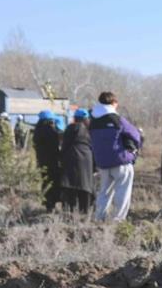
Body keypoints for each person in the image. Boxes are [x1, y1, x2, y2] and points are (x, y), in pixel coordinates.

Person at [90, 91, 142, 222]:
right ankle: (118, 220)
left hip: (102, 163)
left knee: (104, 192)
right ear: (113, 103)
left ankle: (99, 218)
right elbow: (135, 135)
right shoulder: (117, 119)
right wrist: (133, 150)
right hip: (120, 161)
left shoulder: (93, 121)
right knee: (122, 191)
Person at [60, 109, 95, 213]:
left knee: (69, 185)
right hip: (86, 159)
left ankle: (69, 211)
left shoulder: (69, 129)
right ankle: (84, 211)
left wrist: (61, 159)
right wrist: (96, 166)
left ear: (75, 118)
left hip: (69, 157)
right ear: (86, 118)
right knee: (85, 185)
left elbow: (64, 145)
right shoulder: (89, 130)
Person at [33, 110, 62, 213]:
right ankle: (51, 204)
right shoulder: (50, 131)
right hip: (52, 162)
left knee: (46, 183)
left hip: (42, 162)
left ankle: (48, 205)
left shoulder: (38, 130)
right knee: (53, 183)